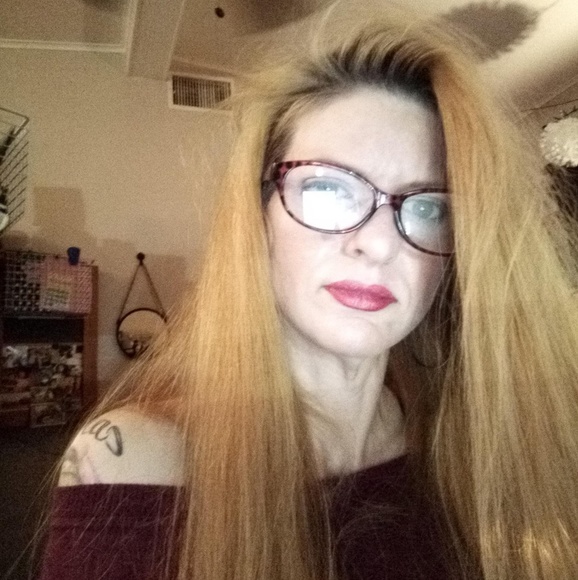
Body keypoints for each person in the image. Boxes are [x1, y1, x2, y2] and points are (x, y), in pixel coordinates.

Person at [40, 13, 578, 580]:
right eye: (328, 188)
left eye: (427, 208)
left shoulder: (480, 444)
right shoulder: (133, 463)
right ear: (259, 213)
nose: (377, 244)